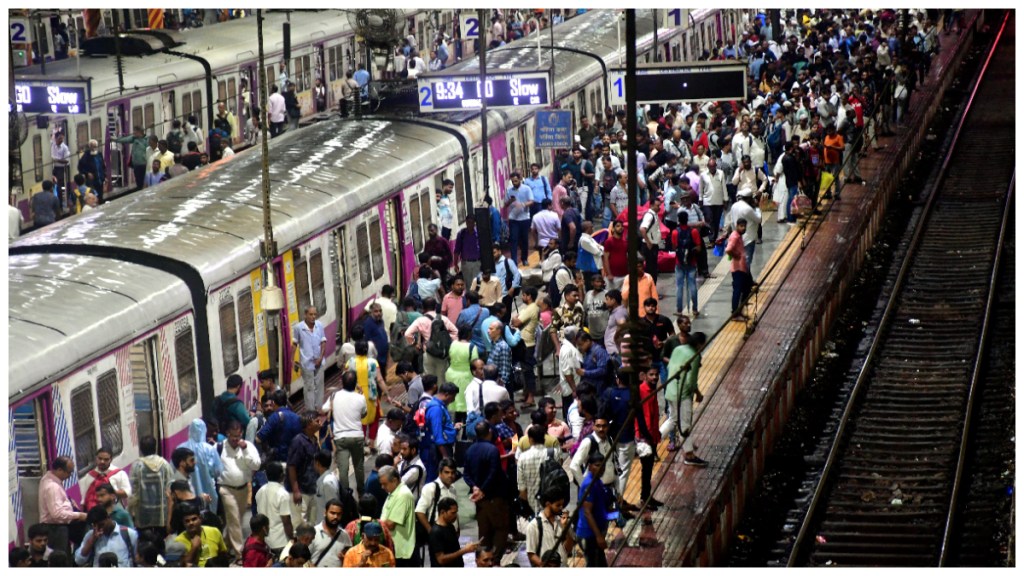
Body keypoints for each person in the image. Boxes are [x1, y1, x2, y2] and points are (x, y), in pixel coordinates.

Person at [463, 422, 509, 558]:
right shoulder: (492, 450)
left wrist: (474, 487)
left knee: (484, 530)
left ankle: (483, 559)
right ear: (489, 431)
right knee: (500, 529)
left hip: (479, 499)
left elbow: (466, 474)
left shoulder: (469, 450)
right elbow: (493, 472)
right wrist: (482, 489)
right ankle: (494, 560)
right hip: (494, 497)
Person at [219, 419, 262, 558]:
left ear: (241, 433)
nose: (235, 439)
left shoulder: (248, 446)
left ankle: (224, 547)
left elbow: (256, 465)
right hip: (226, 489)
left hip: (243, 489)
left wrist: (245, 450)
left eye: (238, 436)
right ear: (227, 434)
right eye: (232, 436)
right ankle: (240, 554)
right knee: (234, 520)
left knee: (237, 519)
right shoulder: (220, 447)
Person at [323, 369, 367, 494]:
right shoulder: (360, 398)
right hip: (357, 436)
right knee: (359, 466)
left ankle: (345, 493)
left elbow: (324, 409)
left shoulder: (334, 396)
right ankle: (361, 490)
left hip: (340, 437)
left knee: (343, 468)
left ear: (342, 382)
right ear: (356, 383)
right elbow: (364, 414)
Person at [177, 418, 223, 512]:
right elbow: (218, 471)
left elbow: (174, 472)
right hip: (209, 492)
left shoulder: (180, 448)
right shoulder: (209, 449)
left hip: (186, 493)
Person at [379, 465, 420, 566]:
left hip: (403, 552)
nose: (382, 487)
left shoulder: (403, 495)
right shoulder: (392, 492)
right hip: (394, 548)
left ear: (394, 480)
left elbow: (390, 524)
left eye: (385, 484)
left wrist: (374, 522)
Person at [346, 339, 386, 443]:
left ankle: (361, 441)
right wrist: (387, 393)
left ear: (356, 350)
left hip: (355, 394)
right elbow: (380, 380)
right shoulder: (373, 363)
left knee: (359, 419)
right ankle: (372, 442)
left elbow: (345, 378)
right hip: (371, 395)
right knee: (374, 419)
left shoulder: (350, 362)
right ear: (367, 350)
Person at [287, 411, 322, 526]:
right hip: (302, 491)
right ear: (308, 424)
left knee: (312, 524)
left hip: (312, 489)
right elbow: (292, 466)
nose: (320, 423)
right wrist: (296, 491)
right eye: (316, 421)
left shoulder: (314, 441)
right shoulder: (298, 442)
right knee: (300, 525)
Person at [73, 506, 139, 567]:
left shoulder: (129, 533)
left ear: (108, 518)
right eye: (94, 526)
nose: (99, 529)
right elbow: (79, 560)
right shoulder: (91, 535)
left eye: (101, 525)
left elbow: (140, 561)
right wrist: (91, 541)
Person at [576, 452, 610, 567]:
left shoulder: (597, 481)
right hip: (589, 535)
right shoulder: (588, 484)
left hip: (595, 533)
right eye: (597, 465)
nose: (601, 468)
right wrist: (598, 537)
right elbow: (587, 512)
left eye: (603, 465)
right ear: (590, 466)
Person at [526, 488, 575, 567]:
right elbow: (531, 554)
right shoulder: (533, 526)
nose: (561, 508)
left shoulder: (563, 522)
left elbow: (568, 549)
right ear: (548, 504)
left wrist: (565, 528)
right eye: (558, 505)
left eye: (562, 505)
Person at [255, 461, 294, 556]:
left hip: (265, 541)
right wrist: (293, 539)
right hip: (281, 542)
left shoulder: (260, 491)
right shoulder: (282, 494)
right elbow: (286, 522)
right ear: (282, 476)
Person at [293, 305, 327, 411]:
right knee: (309, 387)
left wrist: (320, 357)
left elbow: (323, 341)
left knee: (319, 385)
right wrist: (291, 360)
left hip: (319, 361)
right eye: (311, 314)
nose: (313, 317)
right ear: (305, 315)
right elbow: (294, 344)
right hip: (306, 363)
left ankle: (319, 408)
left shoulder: (319, 325)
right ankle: (310, 410)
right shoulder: (299, 328)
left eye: (314, 314)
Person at [428, 497, 478, 566]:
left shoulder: (450, 526)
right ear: (442, 512)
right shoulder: (436, 532)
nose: (455, 516)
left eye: (456, 512)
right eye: (453, 513)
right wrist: (464, 550)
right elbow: (441, 559)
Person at [81, 446, 131, 513]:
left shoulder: (119, 474)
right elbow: (84, 500)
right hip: (94, 513)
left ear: (111, 459)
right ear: (96, 458)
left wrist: (111, 492)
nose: (102, 461)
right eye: (100, 458)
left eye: (106, 459)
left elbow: (127, 492)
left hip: (113, 511)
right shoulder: (89, 476)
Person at [308, 499, 353, 567]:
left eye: (339, 514)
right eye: (332, 513)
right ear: (325, 513)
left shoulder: (345, 535)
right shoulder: (314, 532)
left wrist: (345, 558)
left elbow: (350, 558)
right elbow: (303, 557)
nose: (335, 517)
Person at [726, 218, 752, 320]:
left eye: (744, 226)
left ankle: (739, 310)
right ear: (737, 226)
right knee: (737, 290)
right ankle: (735, 313)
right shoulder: (735, 236)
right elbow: (728, 249)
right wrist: (735, 255)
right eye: (741, 226)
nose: (743, 228)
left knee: (746, 288)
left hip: (742, 268)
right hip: (737, 269)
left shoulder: (738, 236)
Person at [454, 215, 482, 284]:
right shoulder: (461, 234)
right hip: (466, 264)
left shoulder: (479, 233)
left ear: (474, 223)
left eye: (471, 222)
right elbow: (457, 250)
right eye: (468, 222)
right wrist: (455, 263)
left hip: (477, 263)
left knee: (477, 284)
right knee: (468, 284)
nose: (469, 224)